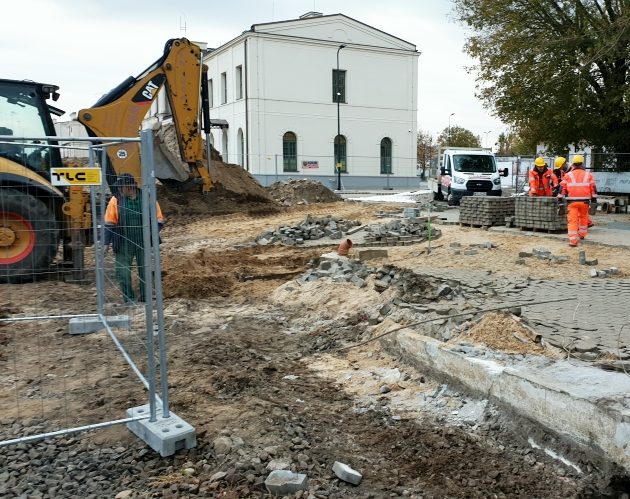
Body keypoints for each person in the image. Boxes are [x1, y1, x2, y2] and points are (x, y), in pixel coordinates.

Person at [104, 173, 164, 303]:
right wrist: (105, 244)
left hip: (144, 242)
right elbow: (109, 223)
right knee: (123, 272)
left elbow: (159, 220)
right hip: (123, 242)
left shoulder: (148, 197)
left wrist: (151, 236)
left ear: (130, 187)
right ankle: (128, 299)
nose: (119, 190)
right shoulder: (116, 200)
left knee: (146, 271)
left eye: (122, 187)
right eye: (119, 187)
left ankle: (146, 297)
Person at [557, 154, 597, 247]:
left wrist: (559, 199)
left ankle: (573, 241)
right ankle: (582, 235)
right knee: (583, 218)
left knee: (572, 221)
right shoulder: (589, 175)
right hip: (585, 202)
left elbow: (562, 188)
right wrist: (594, 199)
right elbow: (593, 188)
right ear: (582, 164)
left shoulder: (568, 175)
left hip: (572, 202)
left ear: (573, 165)